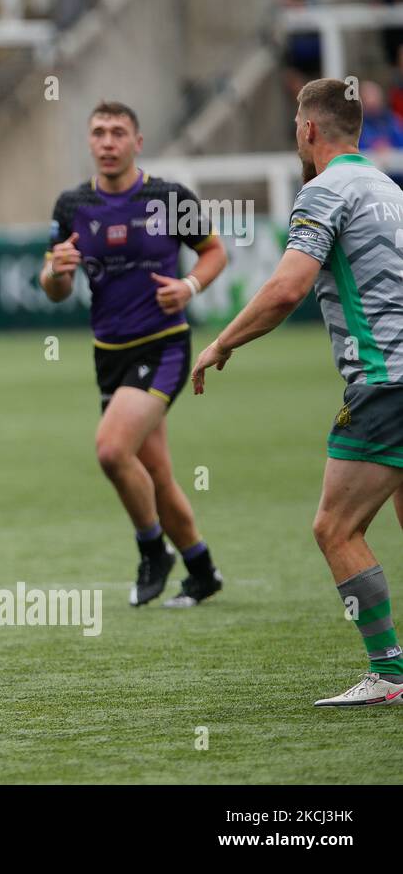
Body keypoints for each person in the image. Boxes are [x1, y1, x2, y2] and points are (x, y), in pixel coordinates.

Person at [192, 78, 403, 707]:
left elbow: (286, 289)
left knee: (336, 528)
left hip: (385, 380)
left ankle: (388, 673)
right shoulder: (389, 190)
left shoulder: (325, 190)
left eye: (294, 123)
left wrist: (222, 342)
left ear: (309, 129)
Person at [41, 101, 228, 608]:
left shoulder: (168, 197)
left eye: (118, 132)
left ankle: (152, 549)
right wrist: (58, 271)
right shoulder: (72, 205)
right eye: (98, 132)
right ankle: (201, 568)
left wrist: (189, 286)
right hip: (109, 353)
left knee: (110, 450)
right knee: (157, 473)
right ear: (90, 142)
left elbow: (215, 251)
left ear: (137, 143)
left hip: (163, 345)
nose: (107, 142)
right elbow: (54, 288)